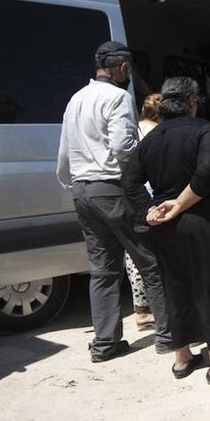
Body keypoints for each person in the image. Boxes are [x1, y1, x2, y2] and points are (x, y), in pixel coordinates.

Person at [126, 77, 210, 383]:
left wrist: (151, 210)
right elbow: (209, 170)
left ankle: (182, 358)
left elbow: (129, 182)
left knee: (176, 288)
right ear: (192, 101)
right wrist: (180, 204)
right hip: (206, 224)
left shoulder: (150, 140)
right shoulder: (203, 130)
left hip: (166, 229)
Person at [56, 41, 171, 362]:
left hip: (82, 190)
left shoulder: (75, 99)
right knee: (151, 261)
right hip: (113, 189)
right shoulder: (118, 97)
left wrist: (74, 184)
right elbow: (123, 147)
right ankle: (167, 336)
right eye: (128, 70)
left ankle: (106, 343)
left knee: (103, 271)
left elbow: (64, 154)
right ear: (122, 68)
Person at [125, 92, 163, 330]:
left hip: (132, 194)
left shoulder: (134, 127)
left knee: (133, 254)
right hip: (151, 193)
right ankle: (158, 309)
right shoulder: (156, 132)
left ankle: (140, 309)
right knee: (154, 255)